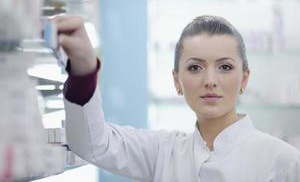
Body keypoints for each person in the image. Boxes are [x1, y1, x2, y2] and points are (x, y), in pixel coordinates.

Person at [55, 15, 300, 181]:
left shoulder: (285, 162)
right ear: (176, 81)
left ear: (244, 79)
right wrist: (84, 69)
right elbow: (93, 144)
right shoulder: (163, 151)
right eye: (195, 67)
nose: (210, 80)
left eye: (225, 67)